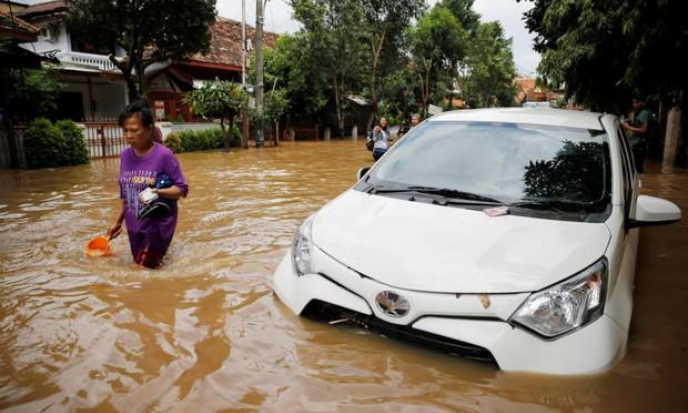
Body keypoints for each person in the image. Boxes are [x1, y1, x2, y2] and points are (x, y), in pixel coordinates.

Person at [107, 100, 189, 268]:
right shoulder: (125, 156)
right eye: (125, 130)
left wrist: (158, 192)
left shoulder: (164, 155)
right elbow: (126, 194)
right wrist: (117, 222)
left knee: (142, 270)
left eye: (134, 130)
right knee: (140, 265)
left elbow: (180, 189)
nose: (129, 135)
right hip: (134, 226)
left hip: (157, 225)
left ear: (149, 129)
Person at [622, 97, 651, 173]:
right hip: (637, 144)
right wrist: (630, 125)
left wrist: (628, 127)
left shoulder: (644, 113)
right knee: (635, 169)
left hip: (639, 146)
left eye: (636, 102)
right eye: (633, 102)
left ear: (642, 103)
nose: (634, 104)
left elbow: (643, 130)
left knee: (636, 170)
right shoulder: (639, 113)